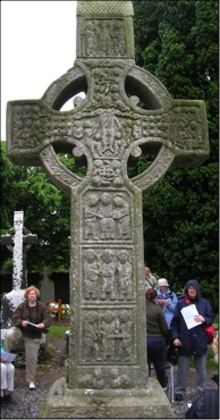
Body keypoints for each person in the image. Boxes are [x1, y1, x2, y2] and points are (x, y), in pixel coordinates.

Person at [170, 279, 214, 401]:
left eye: (194, 289)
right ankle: (179, 391)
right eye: (189, 289)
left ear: (197, 290)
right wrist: (175, 337)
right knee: (182, 369)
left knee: (201, 370)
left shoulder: (204, 303)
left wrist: (204, 319)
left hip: (200, 340)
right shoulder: (181, 304)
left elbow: (211, 317)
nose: (192, 291)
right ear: (187, 290)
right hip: (185, 341)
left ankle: (202, 391)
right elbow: (174, 323)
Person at [4, 285, 51, 390]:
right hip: (21, 330)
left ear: (36, 295)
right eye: (30, 294)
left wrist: (43, 324)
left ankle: (31, 380)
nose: (32, 295)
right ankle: (4, 359)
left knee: (32, 358)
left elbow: (48, 318)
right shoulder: (22, 306)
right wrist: (22, 322)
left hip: (34, 333)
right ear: (27, 296)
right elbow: (15, 318)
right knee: (9, 335)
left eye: (34, 293)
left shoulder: (42, 306)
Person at [146, 287, 170, 389]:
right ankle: (162, 384)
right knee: (159, 364)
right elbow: (164, 328)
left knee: (145, 364)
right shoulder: (158, 309)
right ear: (155, 297)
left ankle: (145, 384)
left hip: (144, 339)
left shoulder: (140, 308)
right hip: (157, 340)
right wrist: (167, 339)